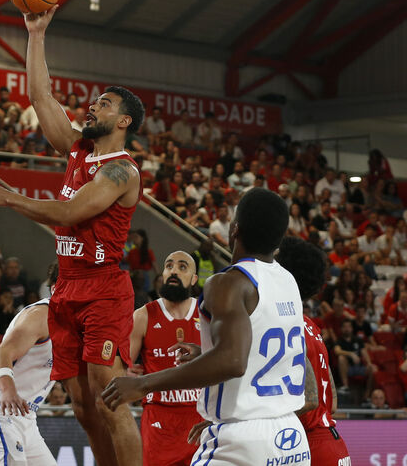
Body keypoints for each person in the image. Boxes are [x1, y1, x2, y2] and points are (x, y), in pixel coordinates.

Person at [0, 5, 145, 464]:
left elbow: (72, 210)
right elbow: (40, 96)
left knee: (107, 397)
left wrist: (9, 198)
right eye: (95, 102)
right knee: (85, 408)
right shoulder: (78, 149)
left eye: (105, 104)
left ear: (125, 121)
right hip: (68, 287)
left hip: (104, 288)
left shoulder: (120, 171)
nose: (94, 106)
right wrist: (36, 33)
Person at [103, 188, 312, 466]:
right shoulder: (288, 281)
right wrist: (206, 352)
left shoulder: (227, 282)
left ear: (235, 229)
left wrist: (142, 383)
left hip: (243, 440)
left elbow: (232, 361)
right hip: (290, 437)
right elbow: (264, 353)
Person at [275, 237, 351, 466]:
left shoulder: (286, 326)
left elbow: (311, 399)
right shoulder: (310, 325)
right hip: (334, 444)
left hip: (308, 447)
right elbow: (332, 402)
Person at [128, 251, 203, 466]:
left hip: (201, 416)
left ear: (194, 279)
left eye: (182, 267)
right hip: (159, 418)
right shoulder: (143, 316)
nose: (174, 271)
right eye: (169, 266)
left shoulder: (208, 313)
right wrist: (126, 373)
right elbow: (122, 369)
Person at [0, 295, 55, 465]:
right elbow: (1, 354)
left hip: (27, 417)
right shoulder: (42, 314)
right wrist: (8, 391)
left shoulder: (79, 322)